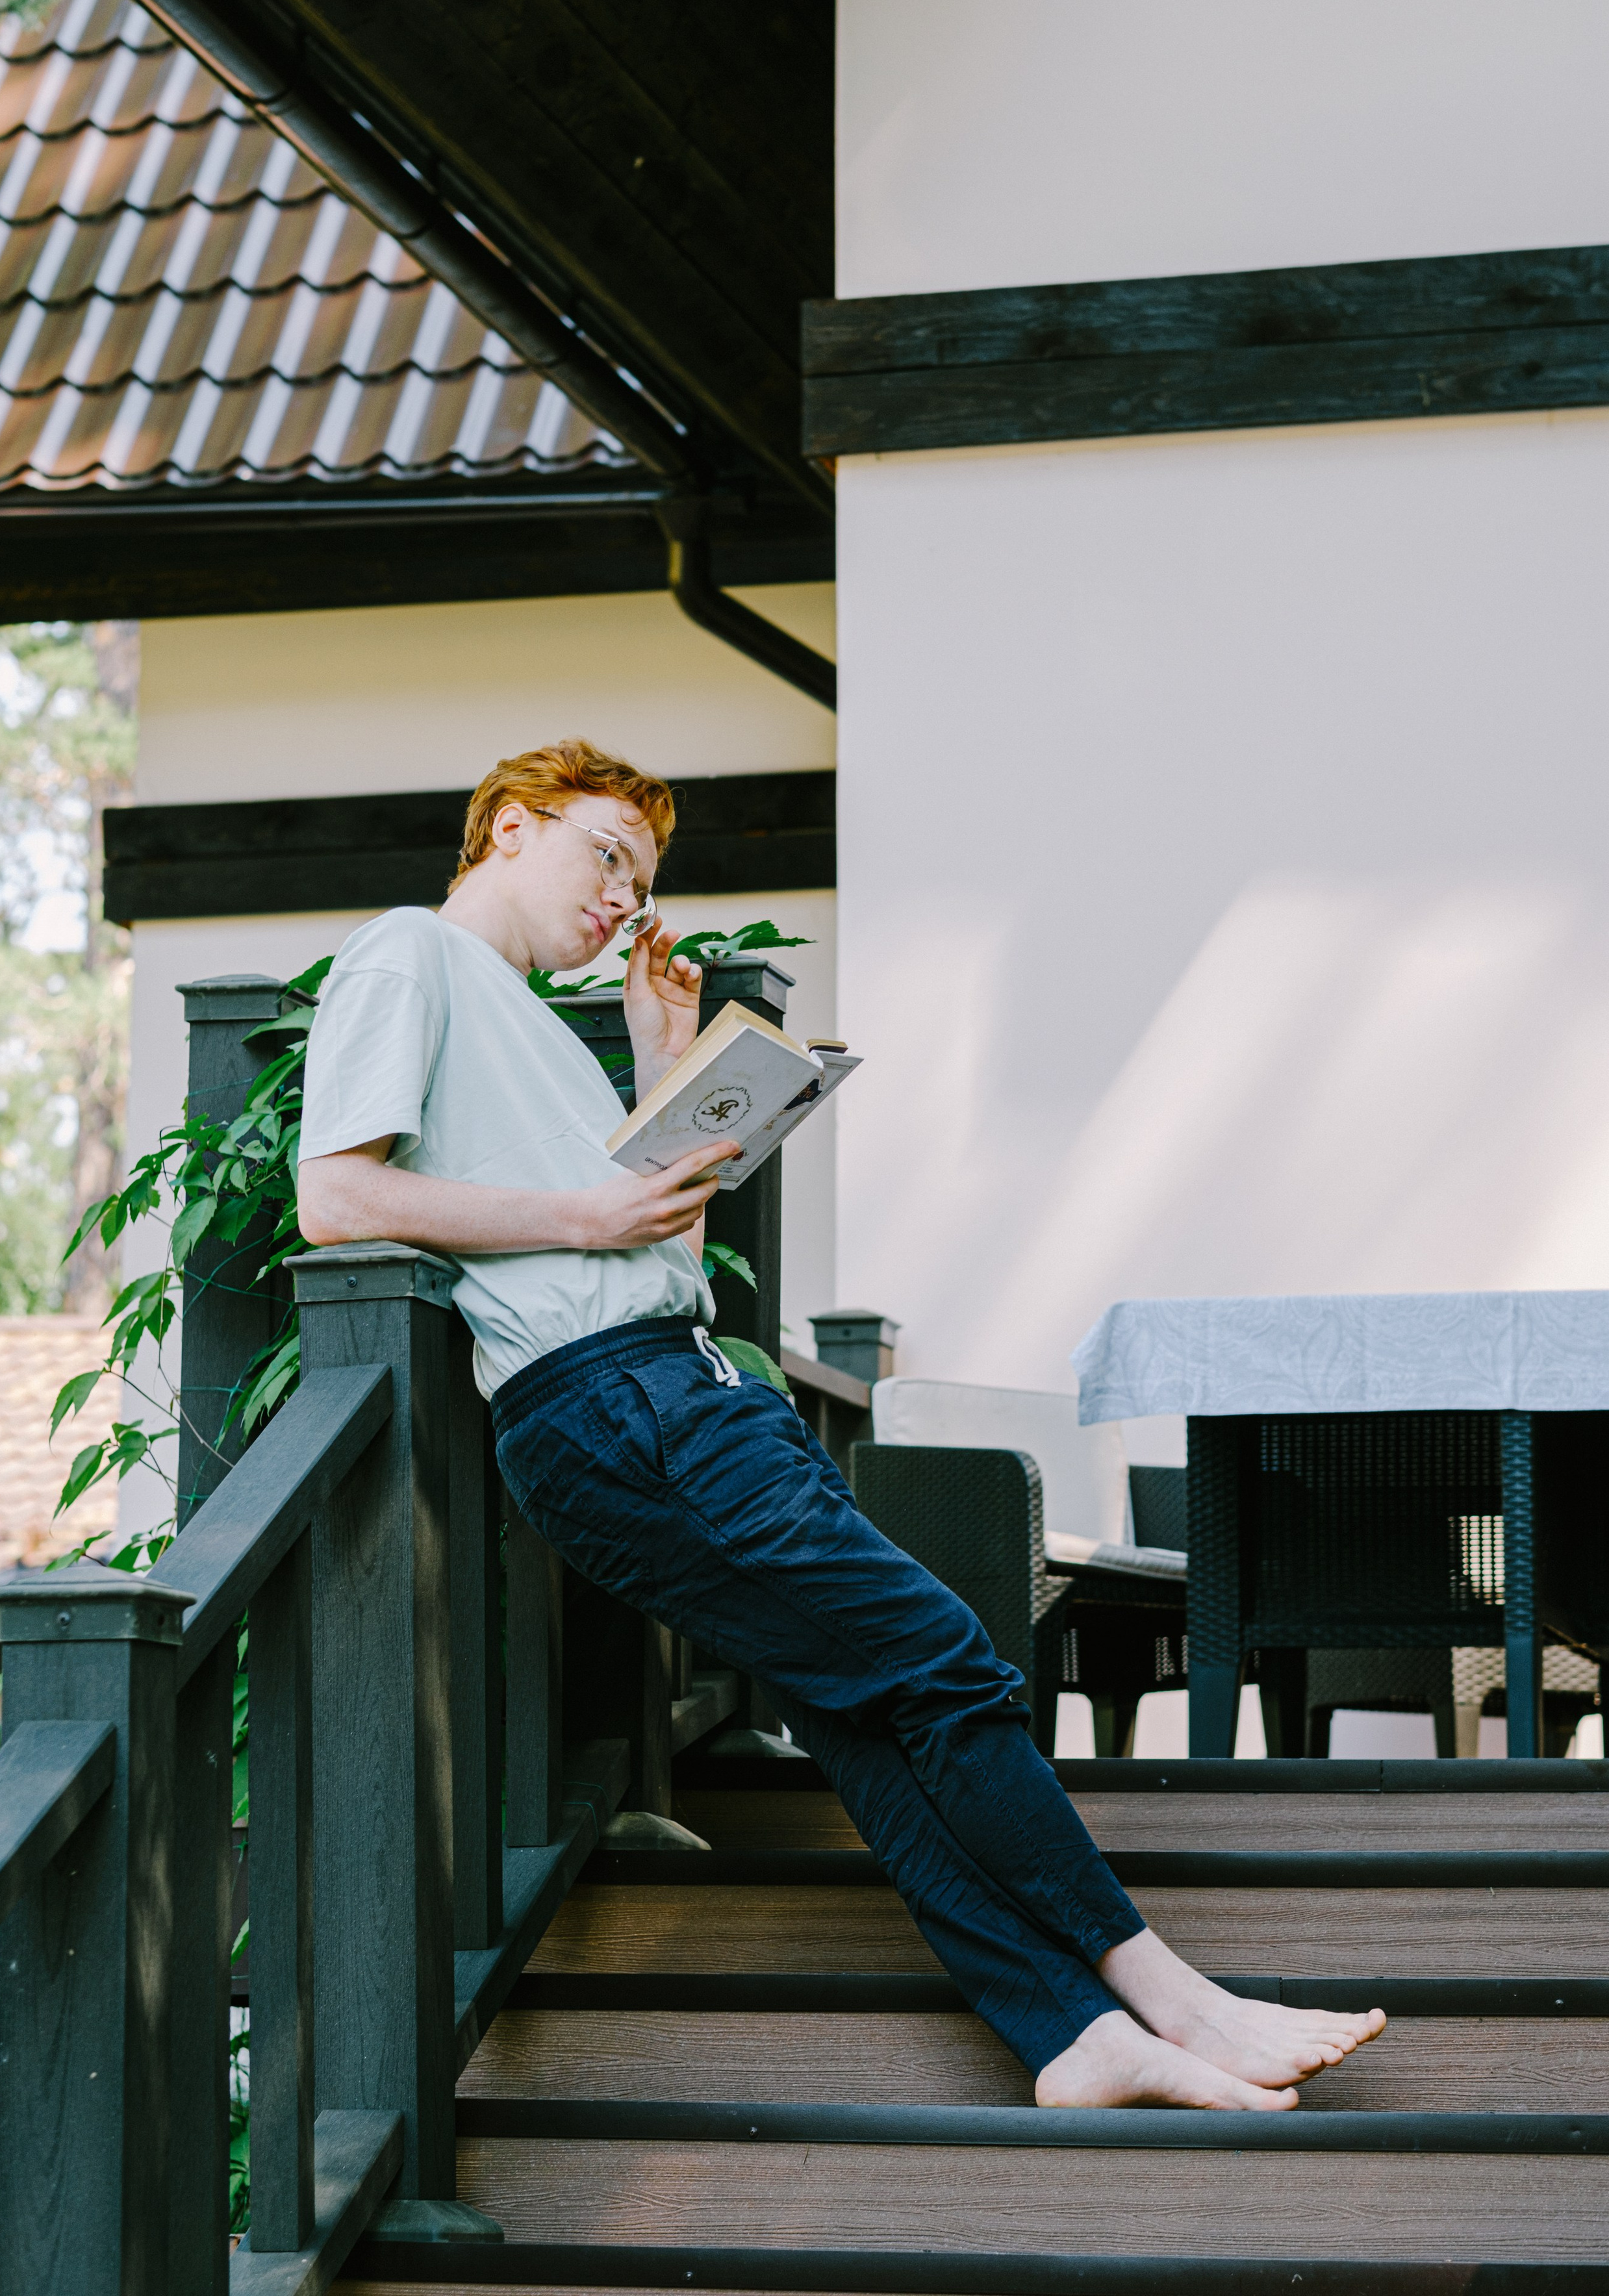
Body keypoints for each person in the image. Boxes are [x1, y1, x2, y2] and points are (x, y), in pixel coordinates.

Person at [298, 737, 1384, 2109]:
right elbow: (334, 1196)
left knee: (865, 1713)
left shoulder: (531, 1026)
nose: (621, 900)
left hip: (667, 1392)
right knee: (942, 1658)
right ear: (511, 825)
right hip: (619, 1403)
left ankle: (1070, 2035)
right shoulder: (410, 950)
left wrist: (659, 1065)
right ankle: (1182, 2005)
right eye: (606, 856)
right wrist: (587, 1210)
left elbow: (629, 1236)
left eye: (638, 881)